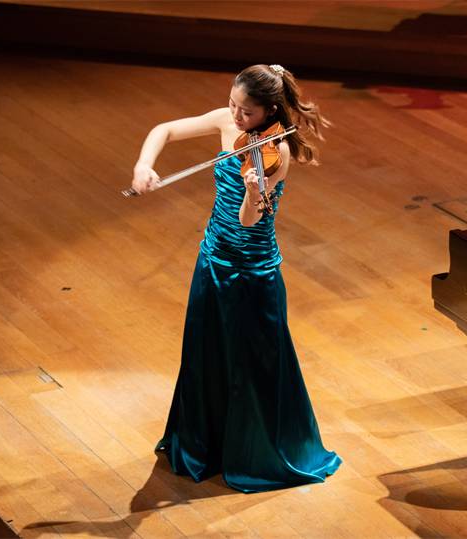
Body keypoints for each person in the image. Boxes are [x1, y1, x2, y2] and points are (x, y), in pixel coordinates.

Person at [130, 64, 341, 493]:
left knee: (251, 365)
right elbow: (164, 130)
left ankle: (253, 453)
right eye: (233, 105)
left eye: (246, 112)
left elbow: (249, 221)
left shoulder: (277, 153)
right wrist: (144, 166)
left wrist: (253, 189)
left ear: (269, 111)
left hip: (251, 270)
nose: (236, 116)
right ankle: (204, 444)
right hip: (213, 257)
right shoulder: (228, 121)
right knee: (205, 351)